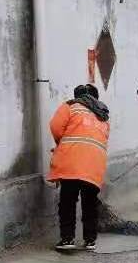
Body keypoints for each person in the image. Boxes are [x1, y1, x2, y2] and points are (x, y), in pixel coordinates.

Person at [47, 84, 110, 251]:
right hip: (95, 164)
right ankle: (90, 240)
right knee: (90, 202)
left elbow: (55, 126)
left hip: (72, 162)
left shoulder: (70, 106)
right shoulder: (102, 115)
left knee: (68, 201)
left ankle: (67, 239)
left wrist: (62, 142)